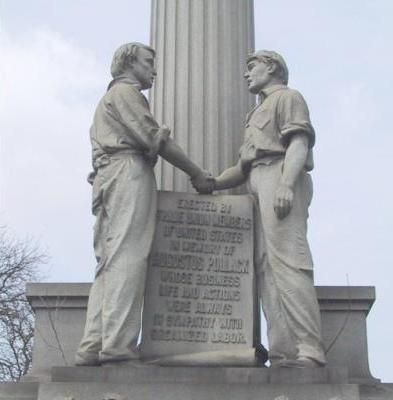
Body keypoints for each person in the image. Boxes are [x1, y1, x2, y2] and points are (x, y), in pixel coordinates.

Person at [75, 42, 210, 366]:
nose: (155, 69)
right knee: (128, 258)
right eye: (149, 61)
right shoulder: (126, 94)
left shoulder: (107, 99)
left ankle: (92, 345)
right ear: (129, 62)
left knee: (109, 263)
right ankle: (118, 347)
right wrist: (196, 173)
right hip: (127, 173)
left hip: (111, 176)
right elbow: (153, 139)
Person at [193, 50, 326, 368]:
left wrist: (286, 184)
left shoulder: (288, 97)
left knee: (289, 262)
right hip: (258, 181)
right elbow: (243, 165)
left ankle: (310, 348)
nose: (246, 73)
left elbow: (298, 143)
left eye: (252, 66)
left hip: (280, 175)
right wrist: (214, 183)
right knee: (267, 268)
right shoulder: (255, 113)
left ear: (273, 68)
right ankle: (283, 351)